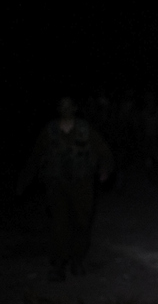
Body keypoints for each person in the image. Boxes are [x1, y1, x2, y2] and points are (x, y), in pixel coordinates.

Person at [17, 97, 113, 281]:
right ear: (58, 109)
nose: (66, 109)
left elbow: (104, 151)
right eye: (62, 106)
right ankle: (59, 264)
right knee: (59, 224)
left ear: (75, 108)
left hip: (82, 184)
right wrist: (24, 181)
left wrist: (105, 169)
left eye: (69, 106)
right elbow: (36, 156)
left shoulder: (85, 129)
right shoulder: (50, 131)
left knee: (81, 222)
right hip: (56, 184)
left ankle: (77, 260)